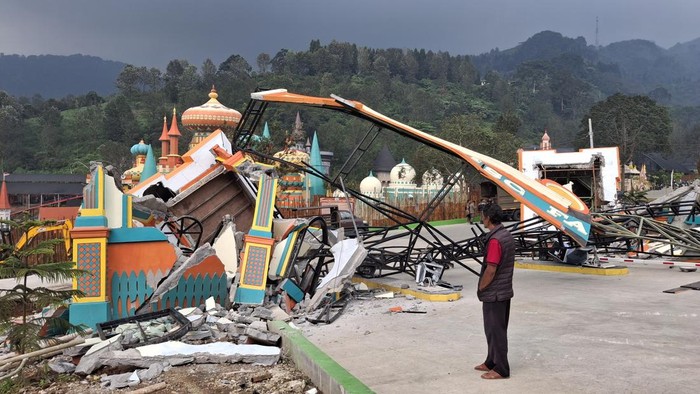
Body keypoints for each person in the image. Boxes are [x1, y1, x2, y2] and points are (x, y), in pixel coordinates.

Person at [474, 204, 515, 380]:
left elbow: (491, 269)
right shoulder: (504, 234)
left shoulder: (495, 241)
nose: (481, 218)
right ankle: (491, 361)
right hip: (503, 291)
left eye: (482, 215)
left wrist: (481, 287)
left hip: (495, 293)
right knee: (492, 329)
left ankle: (501, 369)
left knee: (496, 330)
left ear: (488, 218)